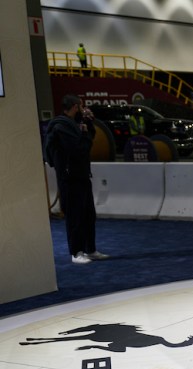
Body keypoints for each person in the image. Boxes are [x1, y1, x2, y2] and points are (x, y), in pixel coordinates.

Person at [44, 94, 108, 264]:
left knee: (88, 214)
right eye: (81, 106)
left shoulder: (74, 124)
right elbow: (79, 148)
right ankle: (76, 252)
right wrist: (85, 134)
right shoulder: (61, 126)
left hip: (81, 176)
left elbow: (87, 140)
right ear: (74, 107)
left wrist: (88, 124)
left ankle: (90, 249)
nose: (84, 109)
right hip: (69, 178)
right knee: (74, 216)